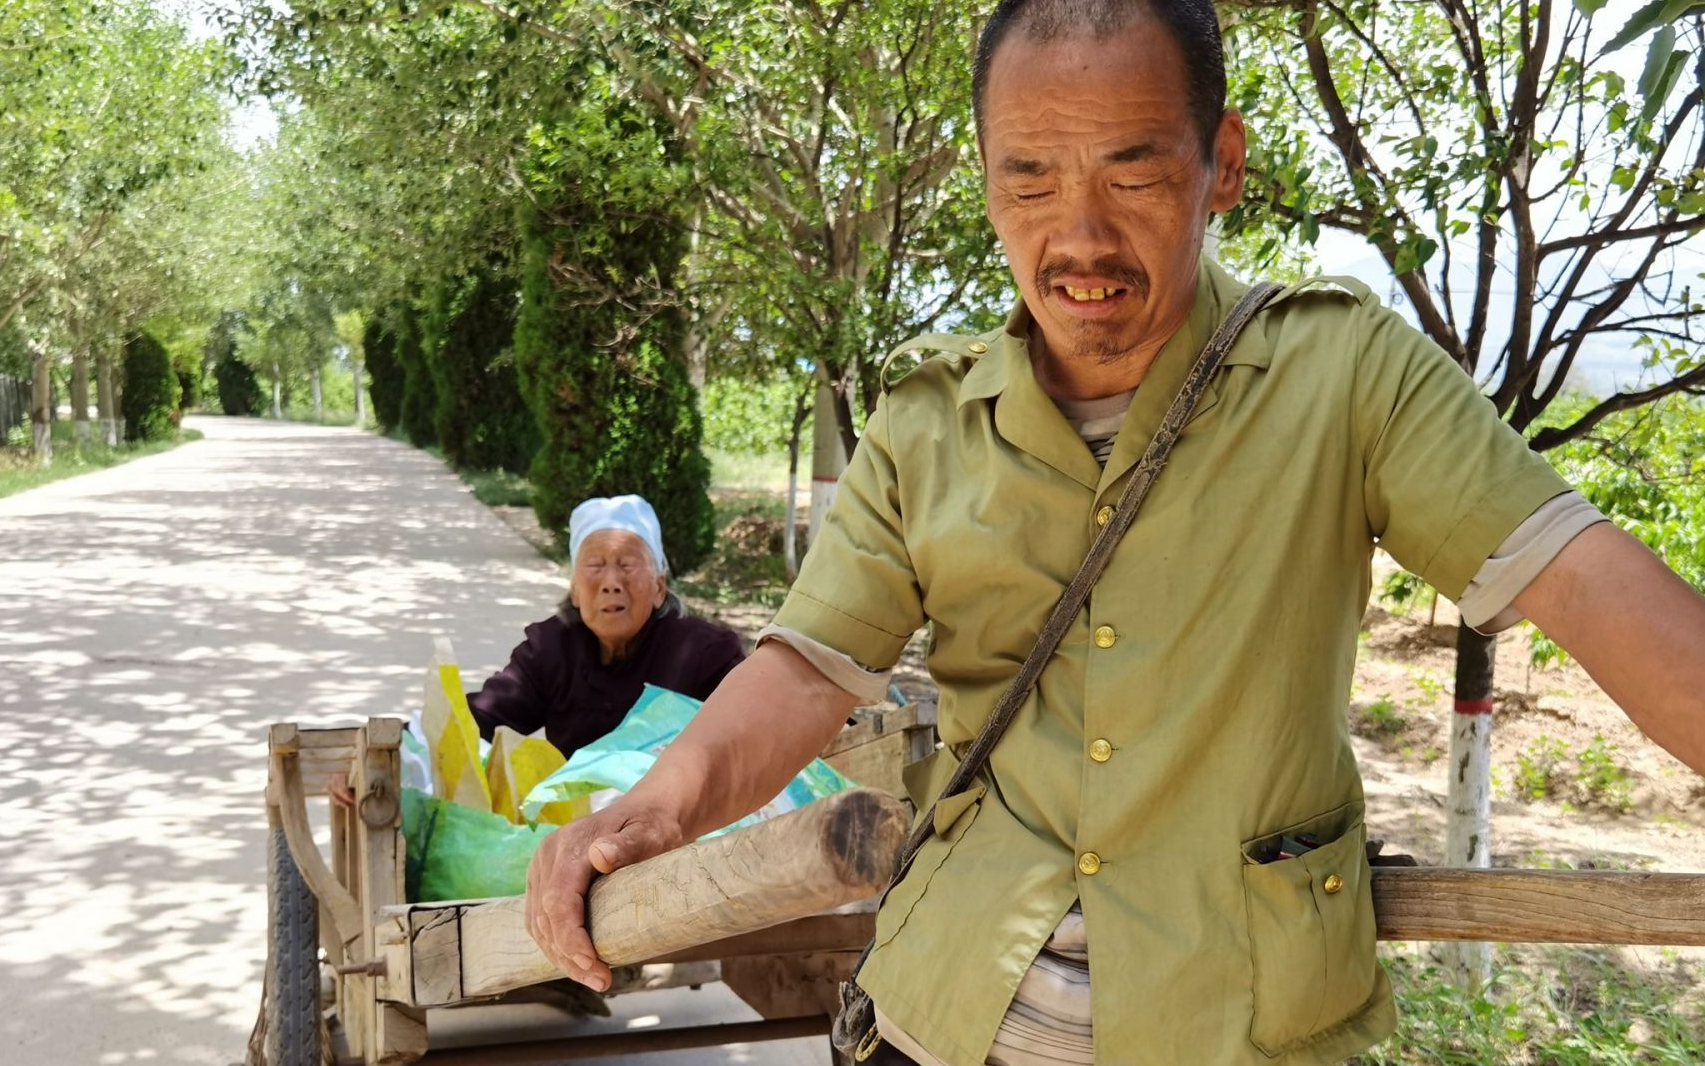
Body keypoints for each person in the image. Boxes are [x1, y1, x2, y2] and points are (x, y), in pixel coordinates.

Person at [522, 3, 1705, 1065]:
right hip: (949, 1010)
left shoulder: (1346, 374)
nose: (1076, 237)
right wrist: (655, 809)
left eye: (1131, 176)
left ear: (1221, 164)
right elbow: (805, 671)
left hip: (1237, 1023)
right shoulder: (926, 422)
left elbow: (1590, 582)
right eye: (1029, 180)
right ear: (986, 182)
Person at [331, 494, 744, 803]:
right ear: (575, 590)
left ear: (659, 587)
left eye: (629, 564)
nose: (611, 581)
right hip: (578, 837)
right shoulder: (551, 648)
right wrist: (383, 757)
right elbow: (478, 719)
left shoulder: (705, 654)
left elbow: (745, 738)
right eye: (596, 565)